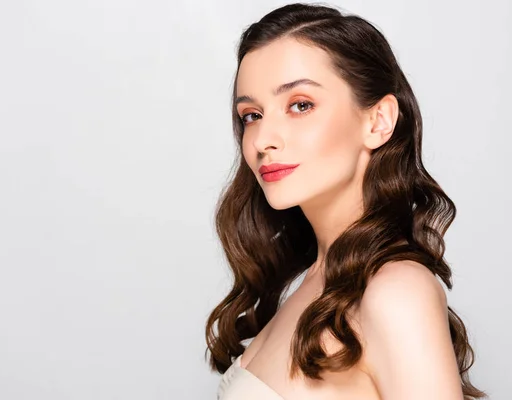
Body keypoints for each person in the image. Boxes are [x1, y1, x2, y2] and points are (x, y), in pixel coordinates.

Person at [204, 3, 486, 400]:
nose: (264, 139)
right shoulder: (315, 279)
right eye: (251, 115)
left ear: (378, 121)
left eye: (300, 105)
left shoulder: (396, 291)